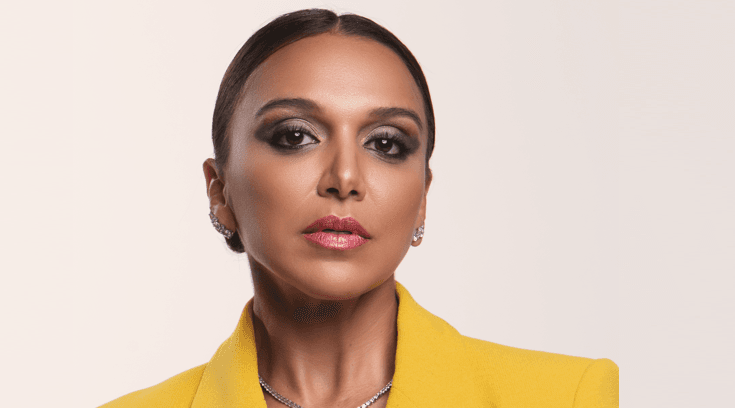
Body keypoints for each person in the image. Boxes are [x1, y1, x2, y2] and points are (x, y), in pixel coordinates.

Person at [100, 8, 618, 408]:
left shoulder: (566, 396)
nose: (345, 178)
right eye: (295, 136)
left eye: (386, 144)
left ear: (422, 198)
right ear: (220, 191)